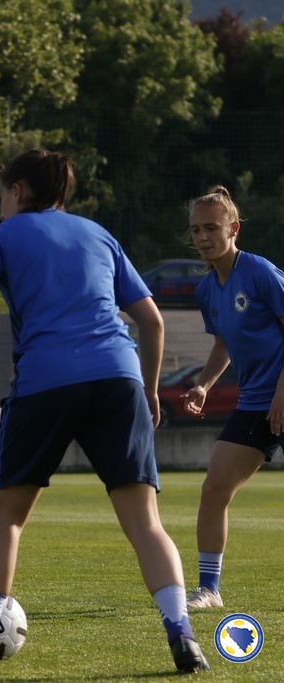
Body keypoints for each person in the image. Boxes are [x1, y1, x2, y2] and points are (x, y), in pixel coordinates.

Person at [0, 150, 208, 674]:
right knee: (145, 523)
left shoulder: (1, 237)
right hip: (118, 379)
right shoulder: (98, 234)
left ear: (17, 190)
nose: (1, 204)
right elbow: (152, 322)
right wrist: (148, 390)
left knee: (7, 518)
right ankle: (182, 635)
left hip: (46, 382)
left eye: (2, 194)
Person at [181, 186, 284, 610]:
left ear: (234, 228)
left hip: (279, 396)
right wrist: (204, 384)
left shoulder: (260, 272)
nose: (203, 237)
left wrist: (282, 393)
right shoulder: (207, 289)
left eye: (211, 228)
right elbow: (223, 344)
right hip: (256, 403)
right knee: (214, 488)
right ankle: (209, 589)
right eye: (196, 230)